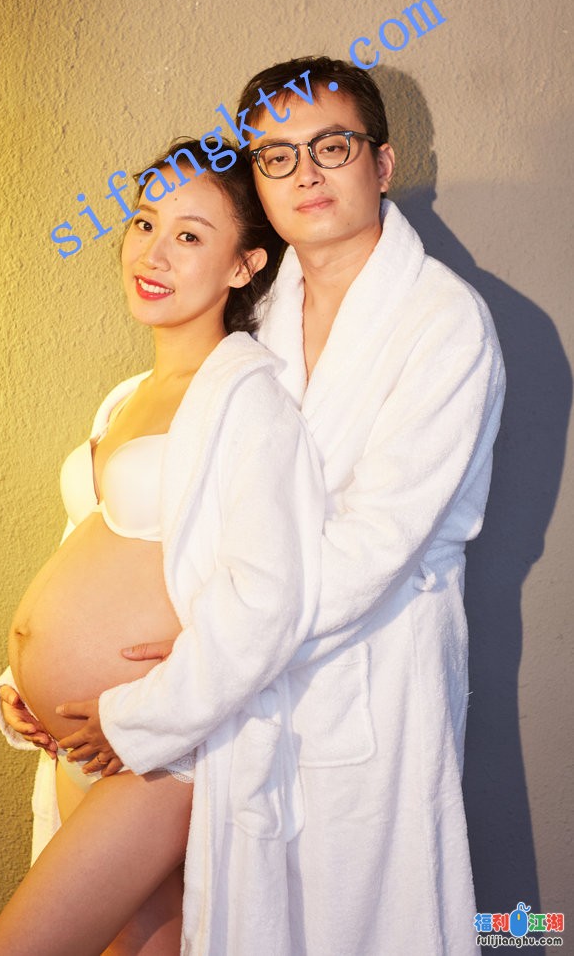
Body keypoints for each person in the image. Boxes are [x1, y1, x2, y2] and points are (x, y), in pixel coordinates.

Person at [116, 57, 506, 954]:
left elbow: (374, 545)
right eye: (277, 156)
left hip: (370, 679)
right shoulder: (251, 324)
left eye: (332, 146)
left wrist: (210, 656)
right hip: (239, 690)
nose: (306, 175)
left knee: (368, 920)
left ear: (382, 162)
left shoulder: (444, 324)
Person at [0, 138, 324, 956]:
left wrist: (142, 714)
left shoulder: (249, 400)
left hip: (156, 752)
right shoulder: (125, 399)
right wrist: (21, 680)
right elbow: (87, 547)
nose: (152, 252)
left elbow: (267, 601)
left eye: (190, 235)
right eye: (144, 223)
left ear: (244, 265)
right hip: (80, 741)